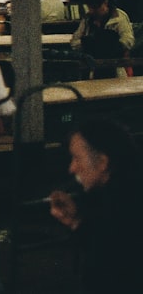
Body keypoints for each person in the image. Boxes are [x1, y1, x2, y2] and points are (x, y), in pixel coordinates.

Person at [49, 118, 143, 293]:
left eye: (77, 159)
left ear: (102, 162)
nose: (72, 168)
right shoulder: (121, 190)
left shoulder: (122, 207)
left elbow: (107, 272)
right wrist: (74, 221)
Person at [71, 0, 135, 78]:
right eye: (90, 7)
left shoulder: (119, 18)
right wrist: (87, 44)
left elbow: (128, 40)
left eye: (96, 7)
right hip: (91, 67)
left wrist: (111, 48)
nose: (92, 10)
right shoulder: (87, 19)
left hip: (116, 66)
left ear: (105, 3)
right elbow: (74, 41)